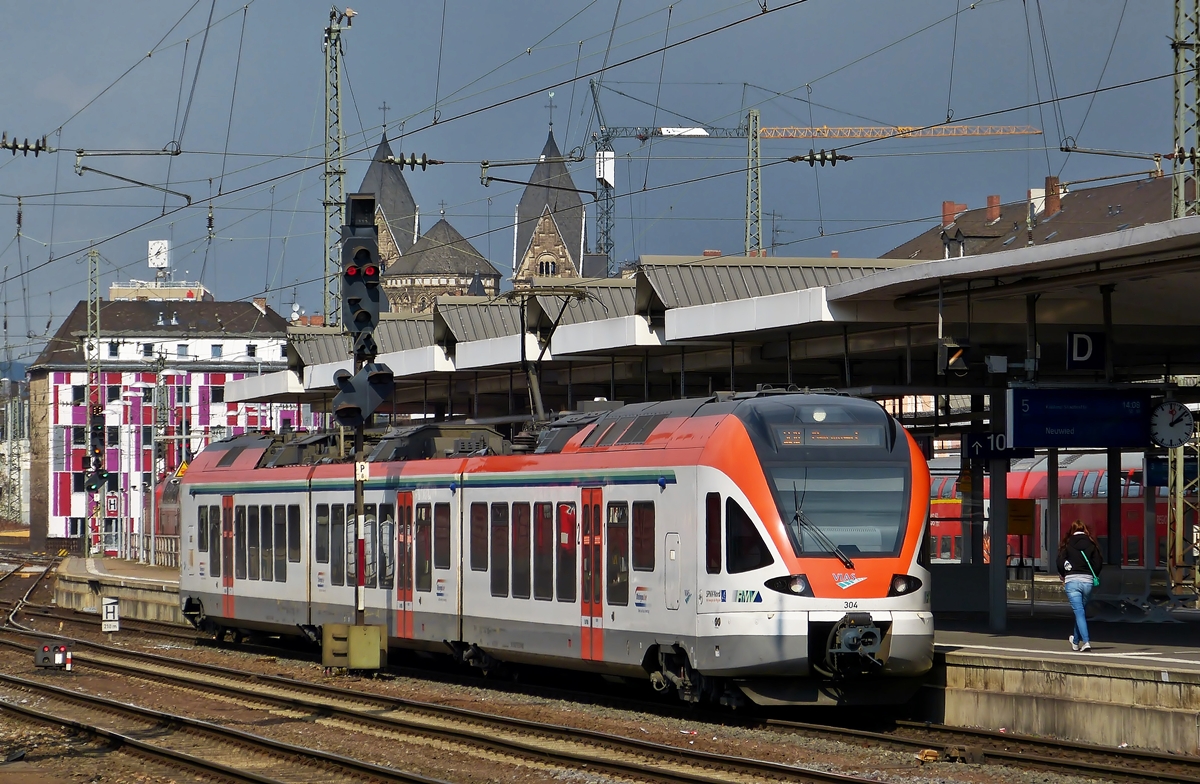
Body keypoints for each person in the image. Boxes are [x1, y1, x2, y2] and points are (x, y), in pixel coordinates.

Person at [1055, 521, 1103, 652]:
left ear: (1072, 530)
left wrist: (1063, 574)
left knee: (1079, 612)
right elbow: (1098, 563)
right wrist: (1093, 574)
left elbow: (1059, 561)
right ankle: (1075, 641)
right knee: (1081, 612)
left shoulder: (1067, 543)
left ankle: (1086, 641)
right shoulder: (1091, 543)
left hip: (1072, 581)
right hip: (1087, 582)